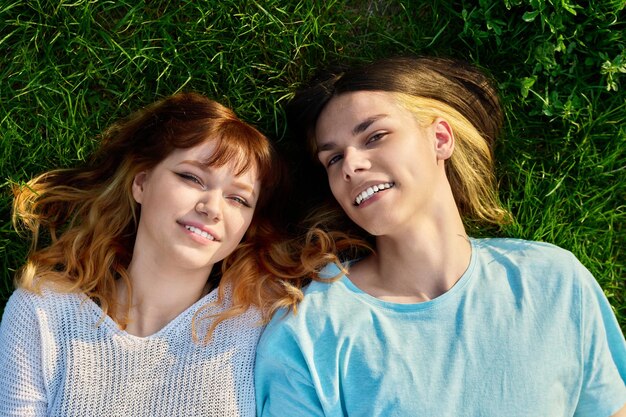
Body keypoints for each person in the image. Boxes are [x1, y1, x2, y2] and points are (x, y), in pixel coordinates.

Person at [254, 57, 626, 416]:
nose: (350, 164)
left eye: (374, 136)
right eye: (333, 159)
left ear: (440, 138)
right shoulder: (308, 334)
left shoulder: (553, 281)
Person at [0, 92, 299, 416]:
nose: (212, 208)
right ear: (141, 183)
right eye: (192, 177)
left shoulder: (265, 322)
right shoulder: (44, 314)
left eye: (238, 199)